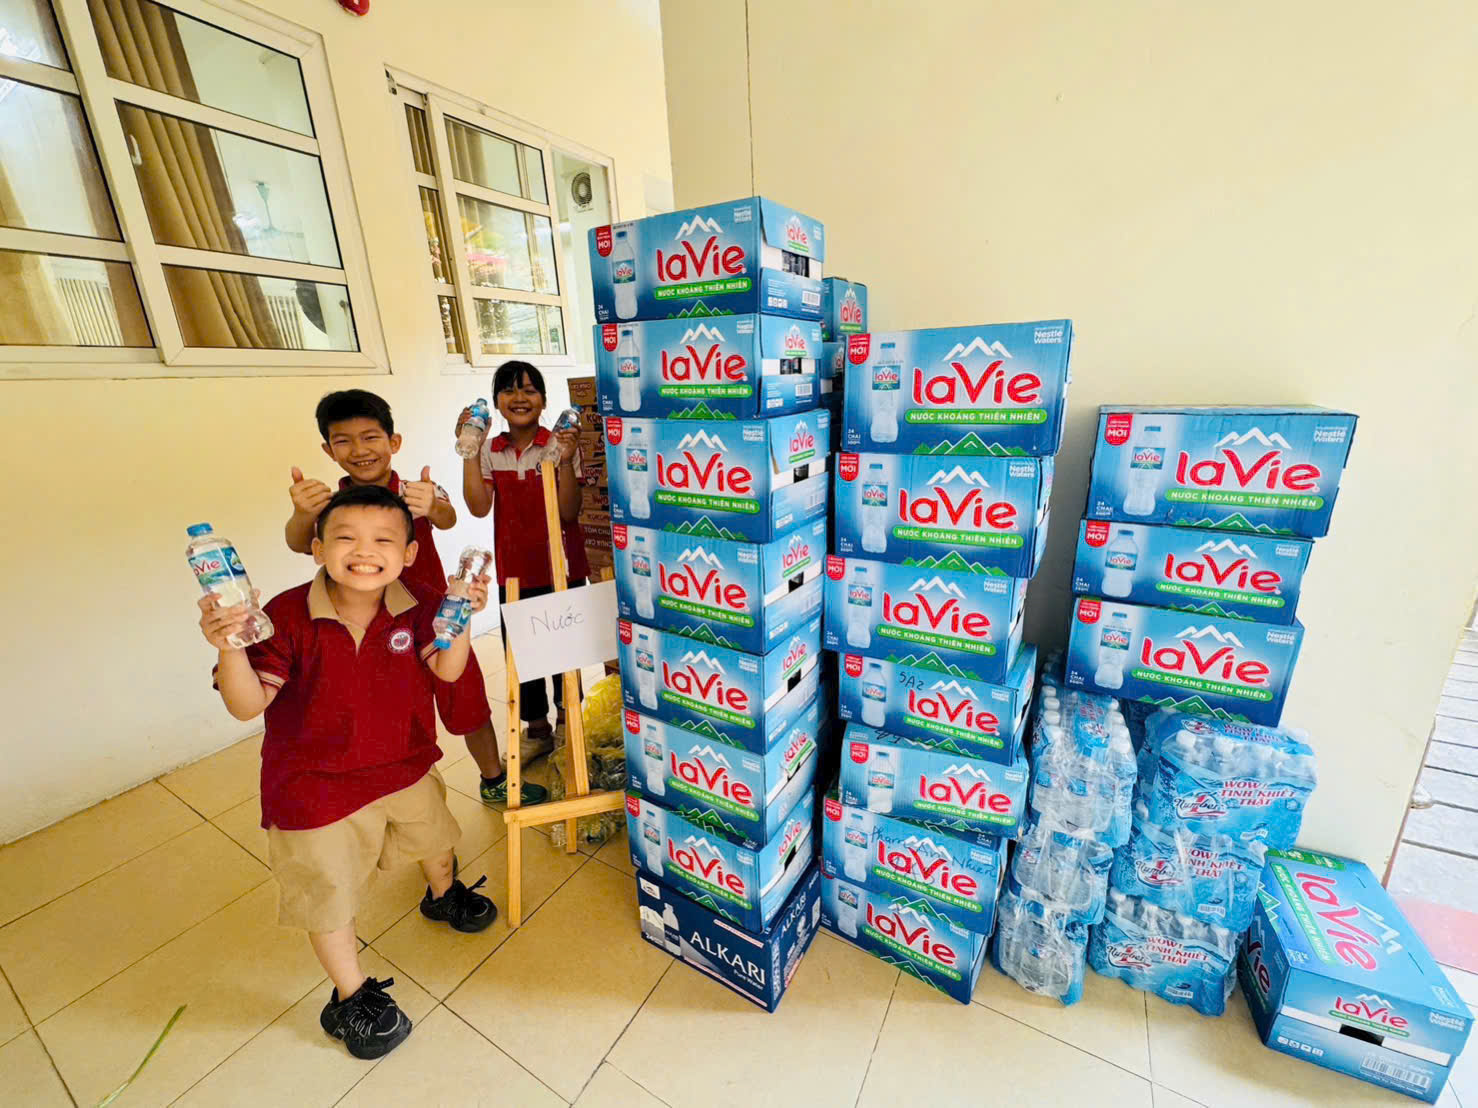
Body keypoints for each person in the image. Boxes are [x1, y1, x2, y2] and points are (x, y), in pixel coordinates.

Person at [198, 485, 496, 1059]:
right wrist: (228, 646)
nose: (365, 551)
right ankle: (350, 995)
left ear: (409, 553)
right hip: (312, 787)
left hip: (404, 765)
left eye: (384, 539)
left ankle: (442, 894)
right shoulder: (281, 616)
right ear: (317, 548)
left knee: (436, 840)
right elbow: (246, 704)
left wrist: (458, 623)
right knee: (328, 894)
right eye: (346, 538)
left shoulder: (426, 602)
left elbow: (450, 670)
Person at [284, 389, 544, 805]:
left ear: (394, 442)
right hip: (374, 633)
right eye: (343, 440)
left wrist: (432, 507)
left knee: (468, 699)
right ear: (328, 449)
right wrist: (301, 514)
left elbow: (449, 515)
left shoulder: (416, 489)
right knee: (395, 718)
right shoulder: (330, 505)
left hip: (439, 621)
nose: (359, 449)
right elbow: (299, 543)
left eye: (371, 437)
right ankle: (412, 798)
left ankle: (494, 779)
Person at [460, 362, 587, 761]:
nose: (520, 398)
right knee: (523, 654)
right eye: (510, 391)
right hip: (515, 569)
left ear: (544, 401)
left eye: (530, 390)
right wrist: (467, 450)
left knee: (566, 649)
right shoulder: (489, 451)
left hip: (562, 566)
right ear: (496, 402)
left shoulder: (560, 444)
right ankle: (538, 729)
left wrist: (564, 460)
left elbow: (569, 512)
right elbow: (479, 508)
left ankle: (570, 725)